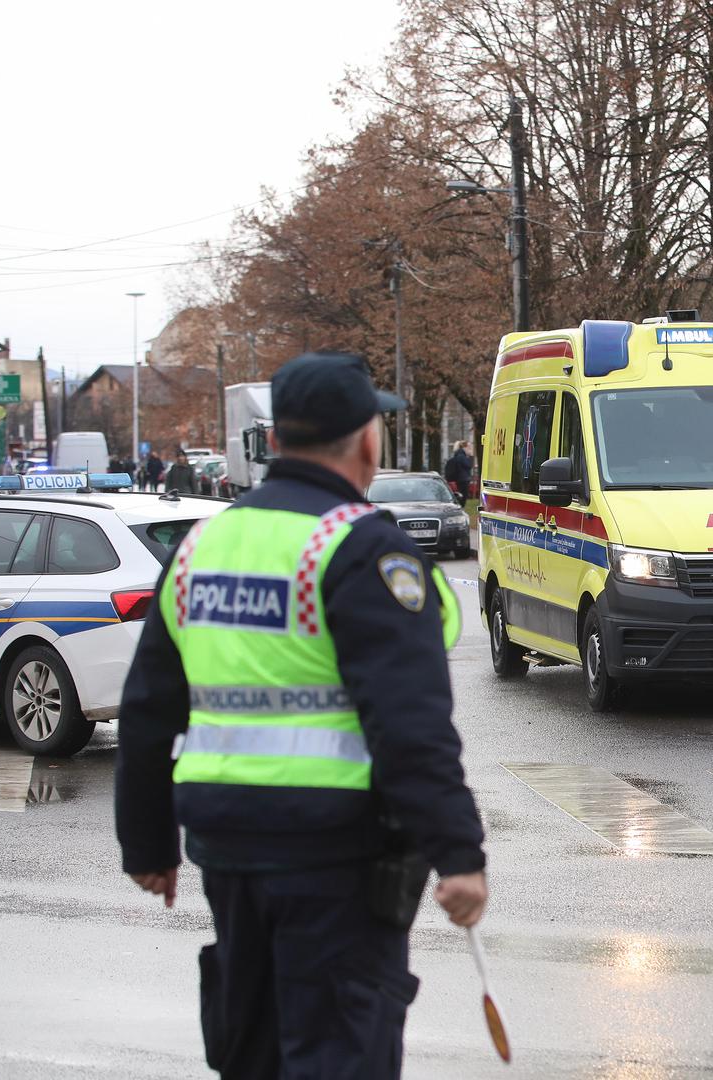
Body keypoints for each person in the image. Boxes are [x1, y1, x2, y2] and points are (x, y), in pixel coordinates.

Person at [115, 351, 487, 1080]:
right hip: (335, 854)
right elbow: (408, 725)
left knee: (251, 1048)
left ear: (277, 439)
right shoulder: (360, 547)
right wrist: (458, 853)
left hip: (224, 842)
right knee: (338, 1052)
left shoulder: (202, 545)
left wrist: (148, 845)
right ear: (365, 440)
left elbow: (146, 710)